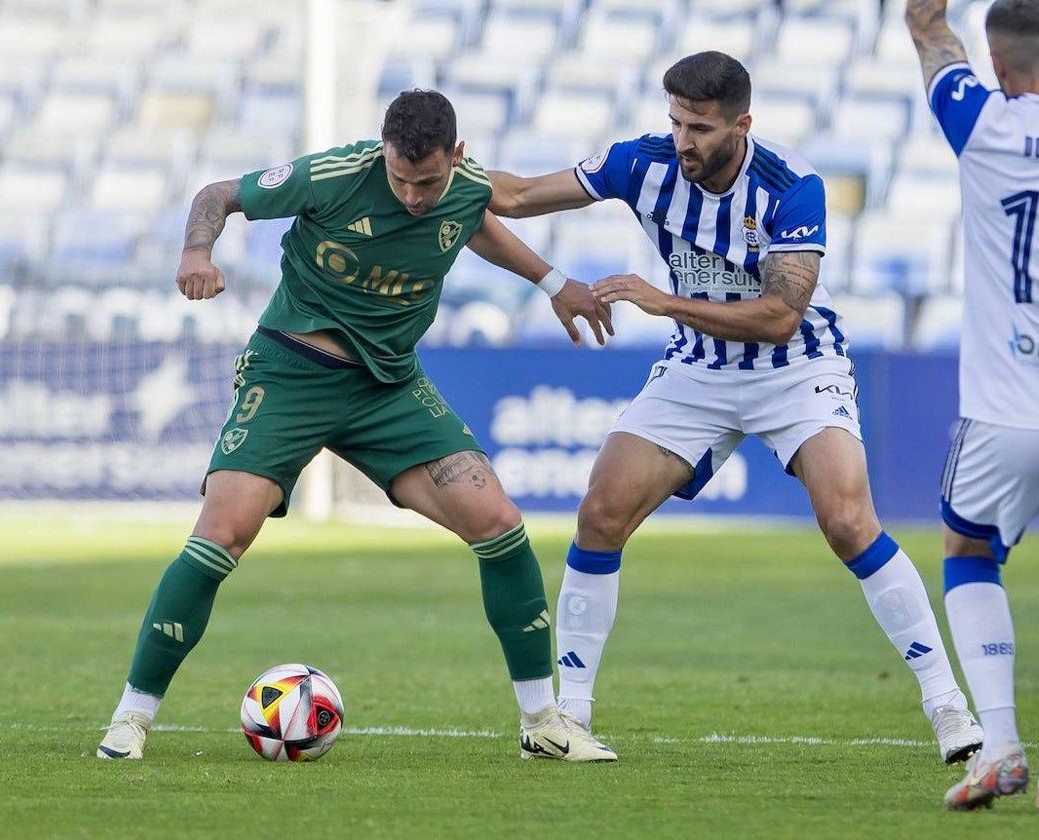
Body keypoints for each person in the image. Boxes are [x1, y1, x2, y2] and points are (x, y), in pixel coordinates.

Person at [488, 50, 984, 765]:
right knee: (601, 510)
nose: (684, 140)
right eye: (676, 122)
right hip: (699, 367)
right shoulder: (642, 163)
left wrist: (662, 302)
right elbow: (519, 195)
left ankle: (949, 709)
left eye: (699, 128)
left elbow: (783, 315)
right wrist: (447, 172)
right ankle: (567, 719)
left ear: (741, 124)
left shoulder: (793, 184)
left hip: (796, 365)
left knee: (848, 520)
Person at [96, 89, 617, 763]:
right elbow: (217, 193)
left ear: (456, 159)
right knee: (223, 532)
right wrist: (197, 253)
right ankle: (130, 719)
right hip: (291, 372)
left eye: (427, 181)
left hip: (388, 387)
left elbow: (479, 217)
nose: (412, 195)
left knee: (499, 522)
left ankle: (543, 723)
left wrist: (552, 282)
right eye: (400, 177)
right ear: (384, 151)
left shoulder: (462, 187)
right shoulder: (335, 175)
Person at [906, 0, 1039, 811]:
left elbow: (927, 24)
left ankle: (1001, 741)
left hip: (1008, 410)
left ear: (995, 65)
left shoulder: (982, 125)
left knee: (967, 547)